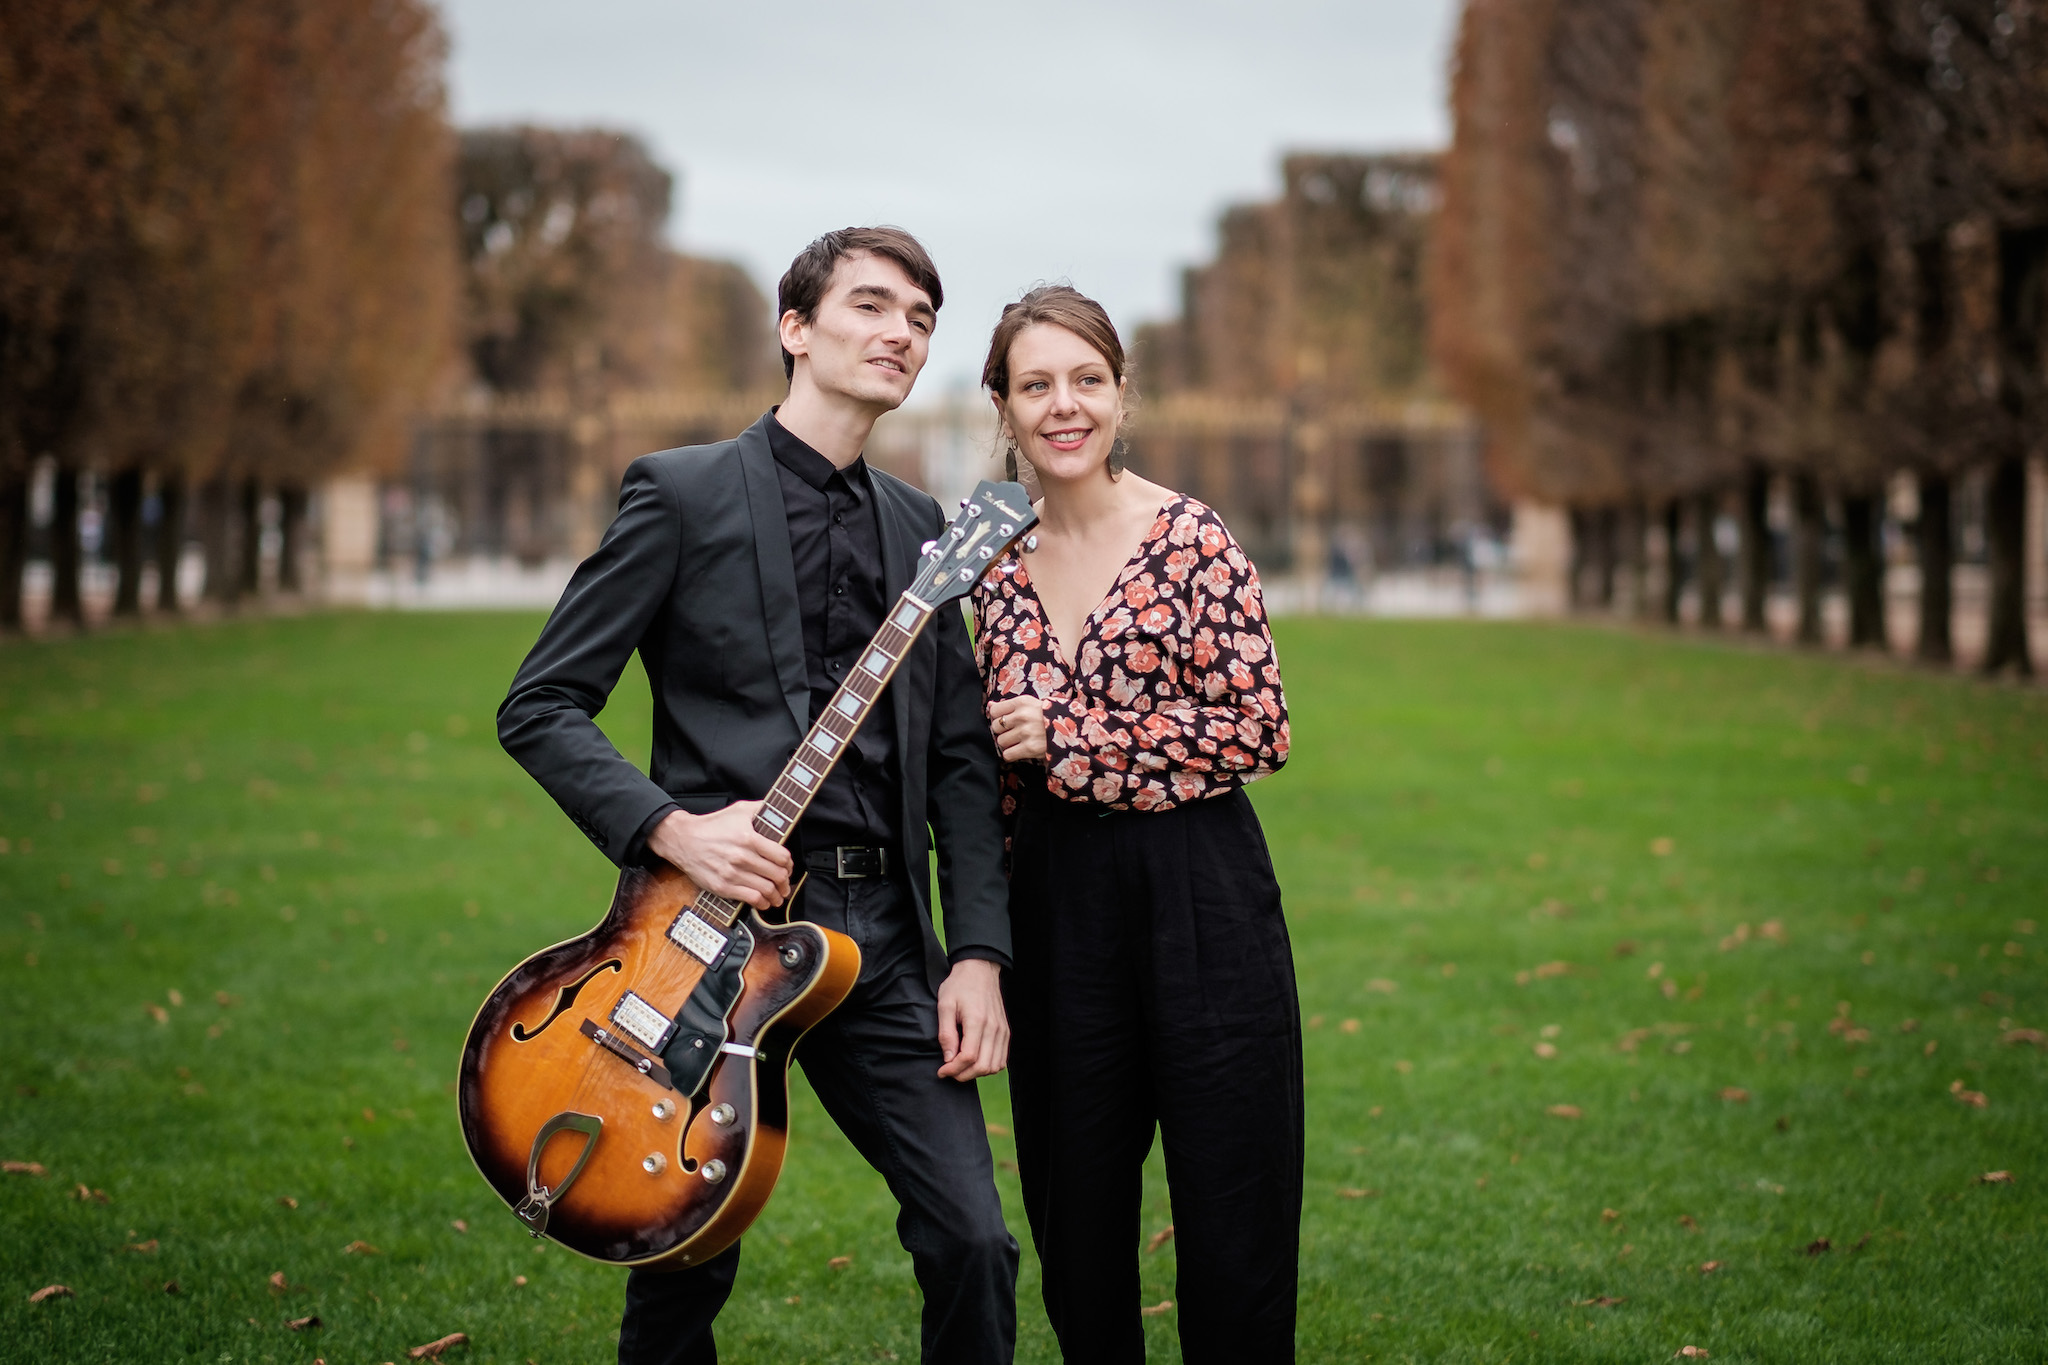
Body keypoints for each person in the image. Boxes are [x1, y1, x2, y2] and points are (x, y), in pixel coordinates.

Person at [497, 227, 1020, 1365]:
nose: (900, 333)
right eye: (872, 306)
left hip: (876, 940)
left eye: (920, 320)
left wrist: (975, 953)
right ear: (796, 329)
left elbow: (960, 769)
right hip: (703, 938)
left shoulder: (925, 531)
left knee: (974, 1241)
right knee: (678, 1249)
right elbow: (539, 704)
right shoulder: (679, 495)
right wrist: (674, 828)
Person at [970, 286, 1301, 1363]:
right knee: (1077, 1225)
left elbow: (1258, 729)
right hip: (1055, 911)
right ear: (1002, 407)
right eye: (1035, 386)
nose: (1062, 406)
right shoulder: (991, 569)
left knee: (1232, 1214)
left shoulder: (1190, 537)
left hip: (1200, 897)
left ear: (1120, 396)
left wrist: (1075, 736)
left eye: (1085, 381)